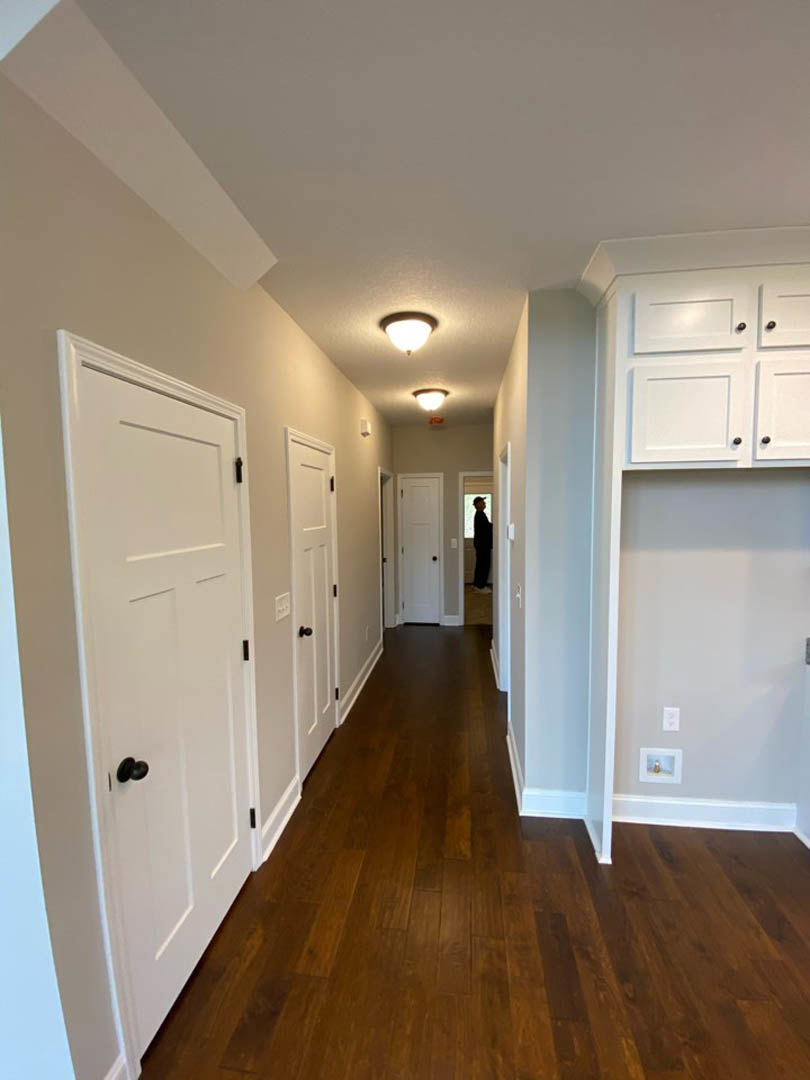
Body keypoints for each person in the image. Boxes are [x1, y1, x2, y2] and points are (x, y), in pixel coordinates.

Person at [472, 496, 492, 591]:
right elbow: (487, 529)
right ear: (478, 504)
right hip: (483, 545)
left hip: (481, 545)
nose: (485, 504)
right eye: (483, 502)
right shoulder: (480, 515)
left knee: (480, 564)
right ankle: (481, 586)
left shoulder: (480, 514)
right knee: (483, 565)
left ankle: (477, 584)